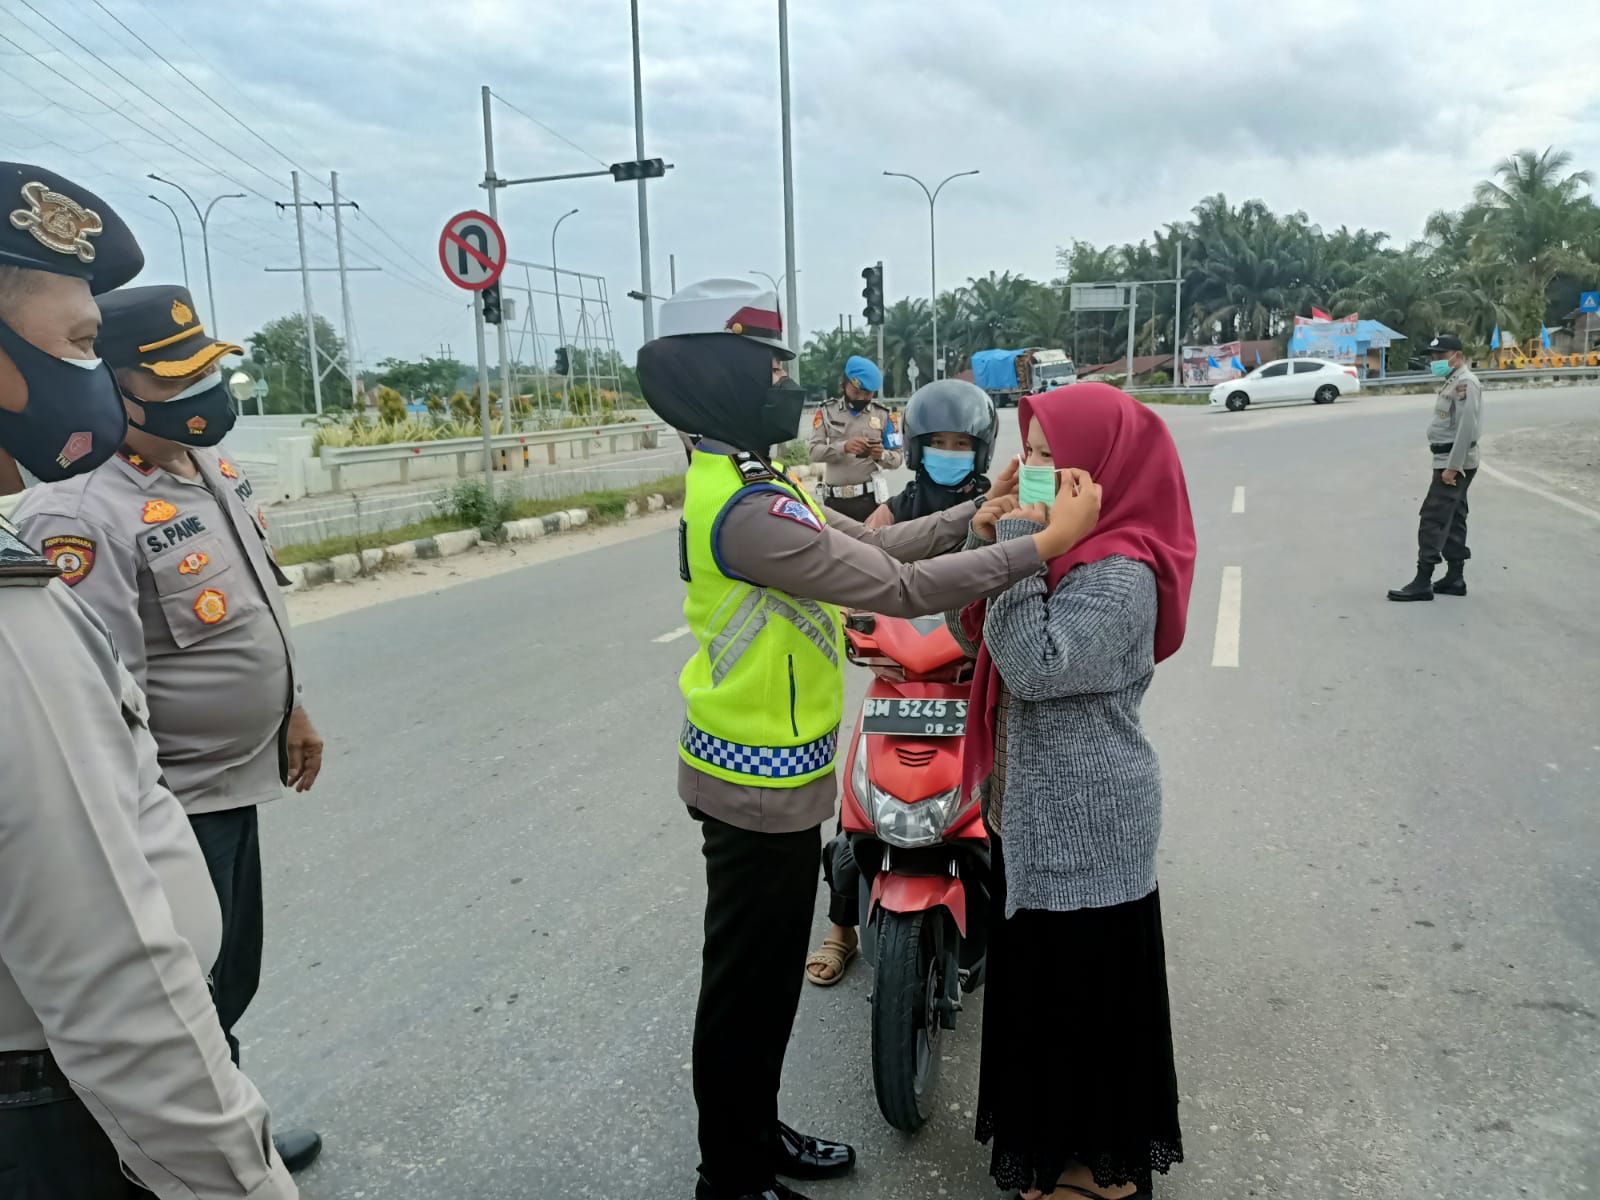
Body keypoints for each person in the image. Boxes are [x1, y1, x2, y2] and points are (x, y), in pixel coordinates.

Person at [636, 278, 1094, 1200]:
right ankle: (730, 1174)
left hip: (778, 772)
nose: (784, 380)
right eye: (768, 366)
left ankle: (757, 1134)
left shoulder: (757, 481)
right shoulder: (745, 511)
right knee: (744, 991)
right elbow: (897, 591)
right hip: (749, 784)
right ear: (717, 378)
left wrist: (979, 512)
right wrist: (1040, 546)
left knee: (764, 990)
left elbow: (879, 547)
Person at [0, 162, 297, 1198]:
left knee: (225, 984)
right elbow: (112, 974)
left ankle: (232, 1101)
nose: (204, 397)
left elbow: (256, 602)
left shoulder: (205, 470)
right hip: (171, 803)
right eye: (79, 344)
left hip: (234, 781)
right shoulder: (62, 529)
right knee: (186, 998)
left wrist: (288, 709)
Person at [956, 384, 1195, 1200]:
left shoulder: (1124, 567)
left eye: (1057, 456)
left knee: (1087, 1005)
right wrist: (985, 537)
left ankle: (1104, 1170)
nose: (1037, 471)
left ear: (1107, 467)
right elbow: (973, 633)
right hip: (1029, 815)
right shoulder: (1060, 544)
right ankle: (1054, 1152)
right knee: (1042, 1003)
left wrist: (1022, 542)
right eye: (1031, 453)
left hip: (1089, 822)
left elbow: (1034, 664)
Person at [806, 378, 999, 986]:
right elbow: (861, 576)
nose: (949, 452)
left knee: (999, 804)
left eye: (960, 443)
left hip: (971, 678)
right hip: (902, 673)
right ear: (916, 448)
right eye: (937, 442)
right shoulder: (894, 513)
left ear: (982, 450)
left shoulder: (1002, 506)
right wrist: (853, 624)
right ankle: (841, 927)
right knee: (857, 803)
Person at [1387, 333, 1483, 602]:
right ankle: (1455, 577)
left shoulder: (1465, 383)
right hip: (1448, 460)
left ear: (1457, 356)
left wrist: (1453, 467)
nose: (1435, 360)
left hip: (1454, 463)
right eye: (1433, 356)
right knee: (1453, 516)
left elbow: (1467, 429)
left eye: (1440, 356)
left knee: (1433, 517)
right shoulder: (1453, 381)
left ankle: (1422, 580)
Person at [807, 353, 901, 521]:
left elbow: (898, 458)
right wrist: (843, 447)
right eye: (856, 392)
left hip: (870, 501)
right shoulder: (826, 411)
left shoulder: (883, 415)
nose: (861, 398)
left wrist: (882, 455)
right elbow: (814, 451)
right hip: (834, 502)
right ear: (844, 384)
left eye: (867, 395)